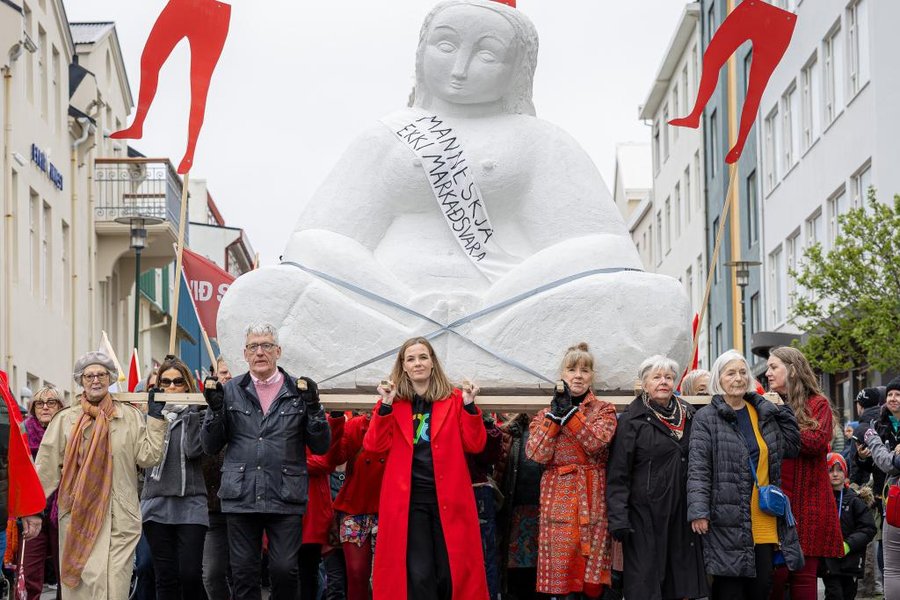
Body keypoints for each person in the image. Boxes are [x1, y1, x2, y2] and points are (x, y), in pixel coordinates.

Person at [216, 0, 691, 393]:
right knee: (254, 296)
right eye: (446, 45)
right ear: (422, 50)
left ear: (516, 66)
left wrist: (497, 299)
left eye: (486, 54)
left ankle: (448, 346)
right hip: (382, 309)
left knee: (659, 301)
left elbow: (605, 248)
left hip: (507, 312)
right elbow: (315, 243)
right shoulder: (388, 137)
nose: (460, 68)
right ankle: (429, 345)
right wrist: (404, 302)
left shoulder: (539, 140)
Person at [201, 323, 331, 600]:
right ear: (245, 354)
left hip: (285, 495)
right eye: (253, 347)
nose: (260, 352)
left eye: (267, 346)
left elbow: (320, 445)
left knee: (285, 570)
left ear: (278, 351)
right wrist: (214, 411)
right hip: (241, 495)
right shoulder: (231, 390)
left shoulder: (298, 390)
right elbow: (210, 445)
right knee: (244, 573)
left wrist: (315, 408)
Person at [25, 351, 166, 599]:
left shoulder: (129, 416)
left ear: (110, 378)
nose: (95, 380)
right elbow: (45, 468)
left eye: (101, 374)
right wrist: (34, 511)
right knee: (83, 586)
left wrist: (155, 419)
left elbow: (148, 457)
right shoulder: (65, 419)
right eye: (89, 375)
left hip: (120, 516)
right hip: (79, 517)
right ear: (81, 381)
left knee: (116, 588)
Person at [363, 336, 488, 600]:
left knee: (451, 574)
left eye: (423, 357)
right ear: (403, 366)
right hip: (408, 502)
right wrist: (385, 405)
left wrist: (469, 406)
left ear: (432, 363)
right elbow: (374, 446)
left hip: (450, 500)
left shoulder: (454, 399)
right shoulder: (393, 402)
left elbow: (475, 445)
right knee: (418, 575)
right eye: (411, 359)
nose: (417, 363)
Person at [688, 349, 803, 599]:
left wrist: (781, 409)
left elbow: (792, 447)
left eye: (743, 372)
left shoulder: (762, 411)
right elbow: (699, 468)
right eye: (731, 373)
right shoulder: (706, 418)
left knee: (761, 587)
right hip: (725, 517)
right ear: (719, 379)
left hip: (763, 516)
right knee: (729, 589)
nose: (738, 378)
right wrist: (699, 512)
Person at [606, 355, 707, 600]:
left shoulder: (689, 414)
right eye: (657, 377)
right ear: (644, 383)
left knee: (680, 585)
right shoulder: (632, 419)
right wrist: (618, 519)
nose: (663, 382)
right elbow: (618, 473)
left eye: (669, 377)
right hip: (644, 518)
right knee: (646, 585)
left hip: (682, 515)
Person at [525, 343, 617, 599]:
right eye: (572, 369)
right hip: (558, 498)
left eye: (585, 370)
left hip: (593, 495)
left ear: (592, 376)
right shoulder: (545, 413)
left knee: (592, 576)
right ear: (562, 374)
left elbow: (596, 443)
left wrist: (571, 415)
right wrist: (554, 419)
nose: (578, 375)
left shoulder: (604, 410)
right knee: (561, 574)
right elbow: (536, 454)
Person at [766, 346, 844, 599]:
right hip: (774, 501)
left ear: (791, 370)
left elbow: (816, 442)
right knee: (775, 574)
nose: (767, 373)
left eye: (773, 367)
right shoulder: (766, 404)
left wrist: (780, 422)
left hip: (808, 502)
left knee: (802, 576)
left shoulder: (817, 404)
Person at [141, 356, 207, 600]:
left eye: (178, 382)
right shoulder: (149, 417)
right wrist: (154, 418)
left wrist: (192, 412)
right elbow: (141, 457)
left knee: (190, 575)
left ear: (188, 386)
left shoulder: (200, 414)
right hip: (156, 502)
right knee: (165, 577)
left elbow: (193, 450)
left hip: (190, 503)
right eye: (165, 382)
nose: (171, 388)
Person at [332, 412, 387, 600]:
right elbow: (336, 457)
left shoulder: (402, 423)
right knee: (356, 573)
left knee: (388, 573)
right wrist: (337, 421)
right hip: (355, 506)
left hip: (389, 507)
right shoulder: (356, 425)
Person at [495, 413, 544, 600]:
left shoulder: (550, 428)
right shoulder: (509, 432)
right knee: (516, 577)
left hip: (543, 515)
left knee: (541, 579)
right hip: (515, 516)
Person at [21, 385, 64, 600]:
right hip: (32, 511)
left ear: (60, 407)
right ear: (33, 408)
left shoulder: (68, 433)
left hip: (62, 510)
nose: (45, 407)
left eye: (51, 403)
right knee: (28, 572)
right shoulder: (24, 434)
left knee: (64, 573)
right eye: (40, 403)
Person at [860, 376, 900, 599]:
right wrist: (863, 456)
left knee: (893, 564)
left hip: (896, 495)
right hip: (888, 499)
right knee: (888, 561)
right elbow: (874, 464)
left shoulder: (874, 430)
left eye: (897, 395)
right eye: (890, 395)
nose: (893, 399)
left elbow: (890, 464)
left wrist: (874, 442)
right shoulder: (881, 423)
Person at [818, 453, 876, 600]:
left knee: (849, 594)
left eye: (839, 470)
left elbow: (868, 528)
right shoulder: (821, 499)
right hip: (829, 562)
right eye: (830, 470)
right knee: (834, 594)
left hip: (851, 561)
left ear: (846, 473)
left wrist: (849, 544)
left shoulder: (855, 500)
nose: (835, 474)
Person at [201, 357, 233, 600]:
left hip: (246, 507)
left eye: (233, 372)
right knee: (211, 574)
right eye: (223, 372)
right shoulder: (202, 411)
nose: (228, 377)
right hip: (213, 509)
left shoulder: (252, 408)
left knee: (247, 574)